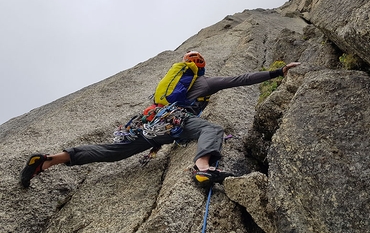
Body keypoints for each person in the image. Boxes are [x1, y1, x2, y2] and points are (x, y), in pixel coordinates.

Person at [20, 51, 300, 188]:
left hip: (149, 122)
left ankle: (50, 160)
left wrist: (155, 142)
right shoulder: (203, 82)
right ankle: (202, 167)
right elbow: (240, 79)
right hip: (176, 122)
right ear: (201, 68)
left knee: (113, 152)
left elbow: (160, 108)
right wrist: (277, 73)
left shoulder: (169, 84)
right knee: (211, 129)